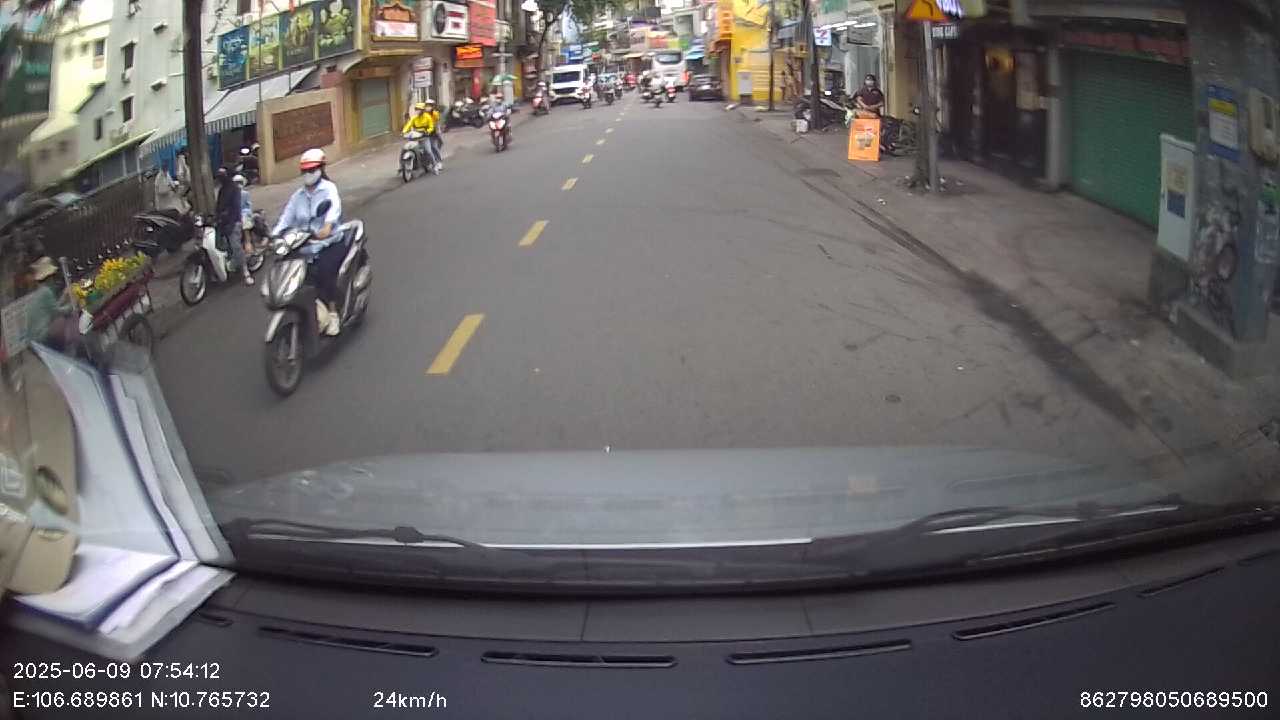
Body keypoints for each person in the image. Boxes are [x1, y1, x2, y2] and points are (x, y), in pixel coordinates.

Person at [271, 149, 345, 336]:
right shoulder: (298, 196)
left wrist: (327, 226)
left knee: (325, 272)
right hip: (303, 246)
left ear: (321, 169)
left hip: (329, 242)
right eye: (304, 171)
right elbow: (286, 218)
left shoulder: (329, 189)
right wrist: (274, 236)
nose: (308, 174)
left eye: (312, 170)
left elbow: (334, 209)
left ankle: (333, 313)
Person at [214, 167, 253, 286]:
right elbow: (218, 206)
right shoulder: (222, 190)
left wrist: (231, 223)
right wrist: (215, 217)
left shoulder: (235, 189)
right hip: (223, 221)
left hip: (234, 221)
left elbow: (235, 209)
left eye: (222, 176)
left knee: (235, 246)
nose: (220, 179)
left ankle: (245, 272)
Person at [401, 101, 441, 173]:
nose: (417, 111)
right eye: (416, 109)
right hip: (415, 137)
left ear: (422, 110)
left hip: (424, 137)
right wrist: (404, 132)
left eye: (419, 109)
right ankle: (402, 166)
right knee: (406, 148)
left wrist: (428, 131)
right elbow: (408, 125)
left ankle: (435, 165)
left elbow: (431, 126)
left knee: (428, 151)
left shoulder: (427, 117)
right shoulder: (414, 118)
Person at [234, 174, 254, 252]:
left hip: (241, 214)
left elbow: (248, 206)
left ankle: (247, 243)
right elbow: (249, 206)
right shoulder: (243, 193)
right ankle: (247, 244)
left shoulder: (244, 193)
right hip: (241, 215)